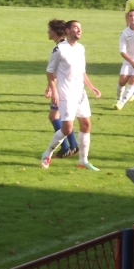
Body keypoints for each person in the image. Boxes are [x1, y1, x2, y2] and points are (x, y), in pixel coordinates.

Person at [41, 20, 102, 171]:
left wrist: (91, 86)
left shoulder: (81, 48)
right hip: (66, 94)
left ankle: (83, 161)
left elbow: (82, 71)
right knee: (67, 129)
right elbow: (50, 71)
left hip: (80, 93)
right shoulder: (59, 49)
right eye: (75, 27)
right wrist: (53, 90)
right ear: (67, 30)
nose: (79, 30)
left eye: (80, 28)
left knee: (86, 124)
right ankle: (47, 153)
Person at [44, 19, 79, 159]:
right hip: (70, 88)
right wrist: (50, 86)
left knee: (56, 117)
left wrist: (53, 89)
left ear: (54, 31)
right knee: (62, 118)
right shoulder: (68, 46)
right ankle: (73, 145)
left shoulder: (59, 48)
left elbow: (53, 71)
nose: (47, 31)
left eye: (49, 29)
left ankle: (66, 148)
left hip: (64, 90)